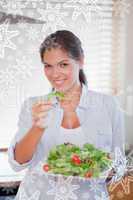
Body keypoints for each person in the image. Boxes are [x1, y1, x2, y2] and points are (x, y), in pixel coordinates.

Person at [8, 30, 125, 173]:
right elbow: (17, 163)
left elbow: (119, 163)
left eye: (63, 64)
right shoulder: (33, 105)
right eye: (48, 66)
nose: (55, 74)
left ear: (81, 61)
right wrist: (37, 127)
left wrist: (100, 168)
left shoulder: (108, 105)